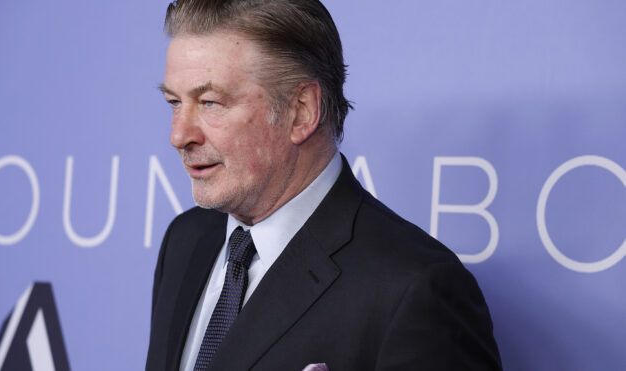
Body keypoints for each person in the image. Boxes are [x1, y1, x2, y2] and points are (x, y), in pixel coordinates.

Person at [146, 0, 502, 370]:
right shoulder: (186, 241)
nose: (178, 135)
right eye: (174, 102)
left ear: (301, 112)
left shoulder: (414, 290)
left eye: (210, 102)